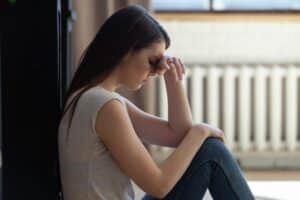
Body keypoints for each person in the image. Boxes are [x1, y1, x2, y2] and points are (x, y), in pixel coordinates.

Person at [58, 5, 255, 200]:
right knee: (212, 151)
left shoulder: (92, 98)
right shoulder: (105, 107)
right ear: (127, 51)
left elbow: (179, 135)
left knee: (207, 148)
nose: (155, 71)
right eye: (152, 61)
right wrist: (200, 132)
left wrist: (173, 81)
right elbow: (159, 185)